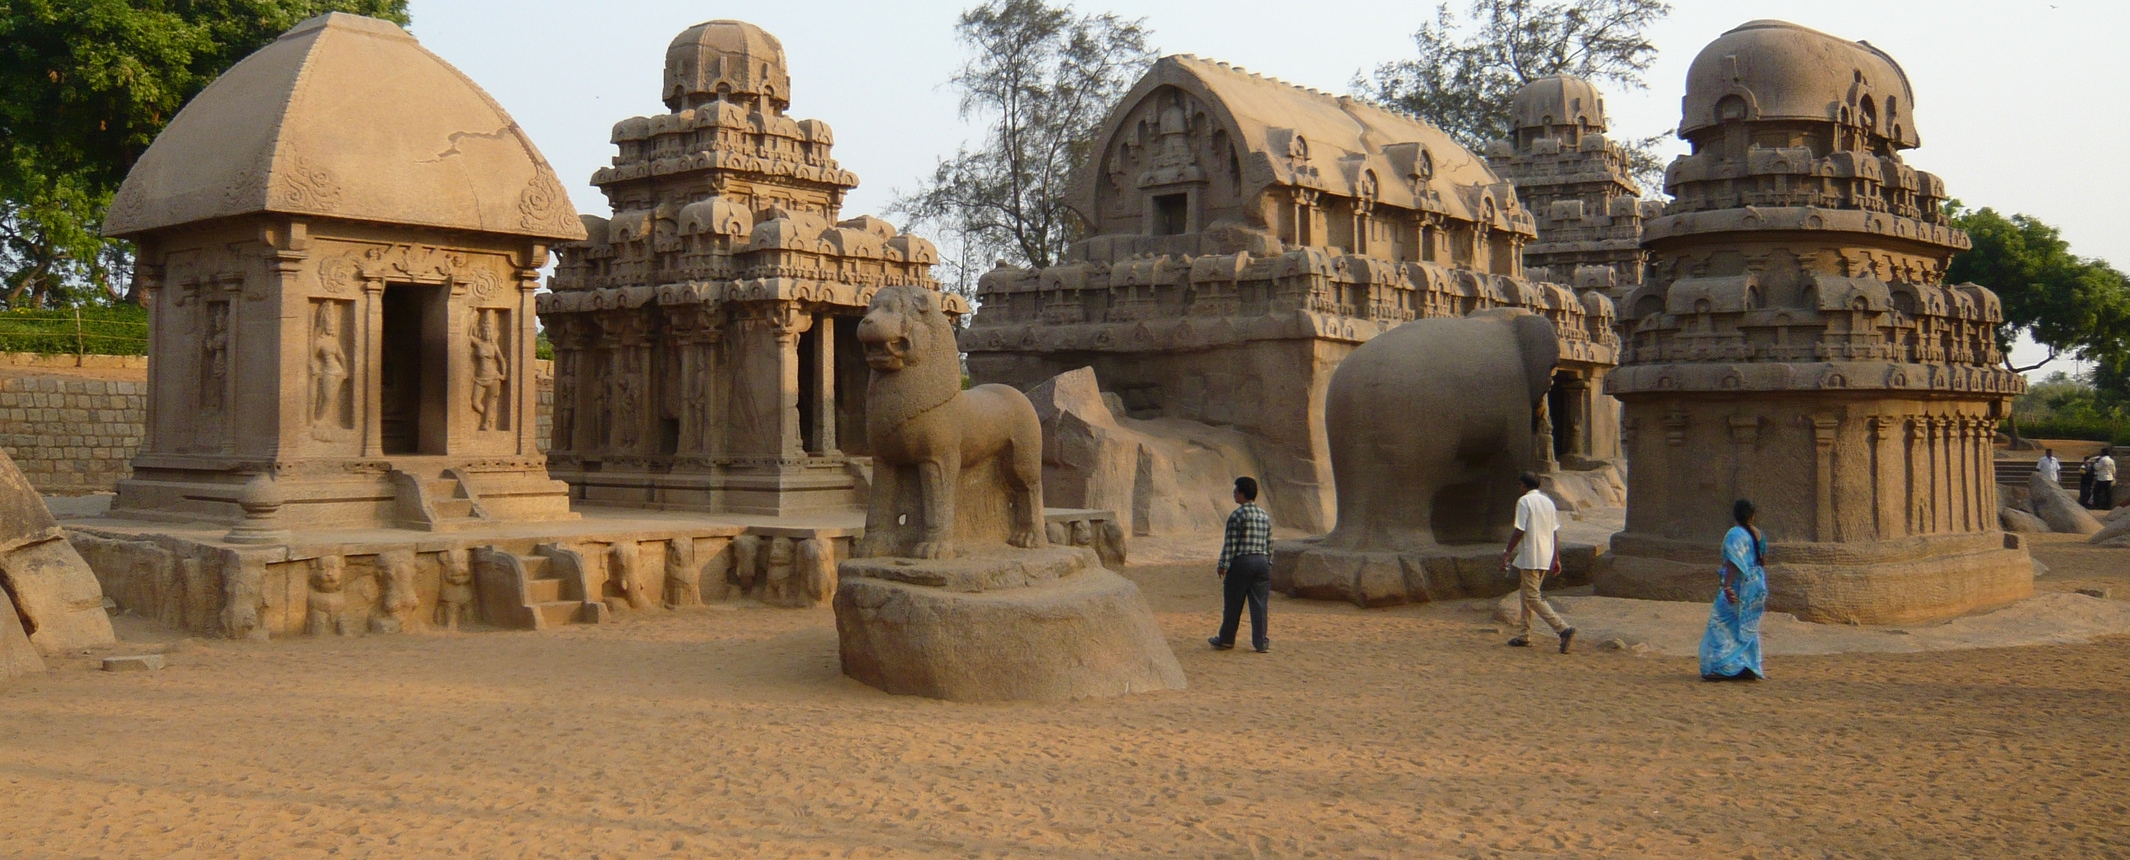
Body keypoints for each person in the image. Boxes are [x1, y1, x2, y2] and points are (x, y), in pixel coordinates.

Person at [1501, 472, 1575, 653]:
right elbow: (1554, 532)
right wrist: (1555, 557)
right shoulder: (1548, 503)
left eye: (1520, 485)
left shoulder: (1524, 502)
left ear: (1523, 486)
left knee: (1532, 597)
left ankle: (1562, 628)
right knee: (1526, 594)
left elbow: (1519, 529)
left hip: (1530, 556)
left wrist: (1507, 552)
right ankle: (1524, 635)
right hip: (1545, 554)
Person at [1701, 499, 1768, 681]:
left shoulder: (1735, 534)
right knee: (1746, 625)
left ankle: (1726, 666)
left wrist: (1728, 585)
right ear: (1752, 516)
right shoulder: (1759, 535)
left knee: (1721, 623)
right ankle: (1748, 663)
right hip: (1756, 586)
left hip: (1739, 585)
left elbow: (1733, 562)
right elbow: (1761, 560)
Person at [1209, 476, 1273, 653]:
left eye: (1236, 491)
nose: (1234, 493)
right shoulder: (1264, 515)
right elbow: (1270, 542)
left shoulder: (1237, 515)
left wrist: (1223, 564)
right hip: (1262, 562)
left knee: (1233, 603)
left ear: (1243, 494)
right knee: (1260, 605)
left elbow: (1230, 544)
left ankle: (1227, 639)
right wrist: (1269, 561)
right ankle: (1261, 642)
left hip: (1242, 562)